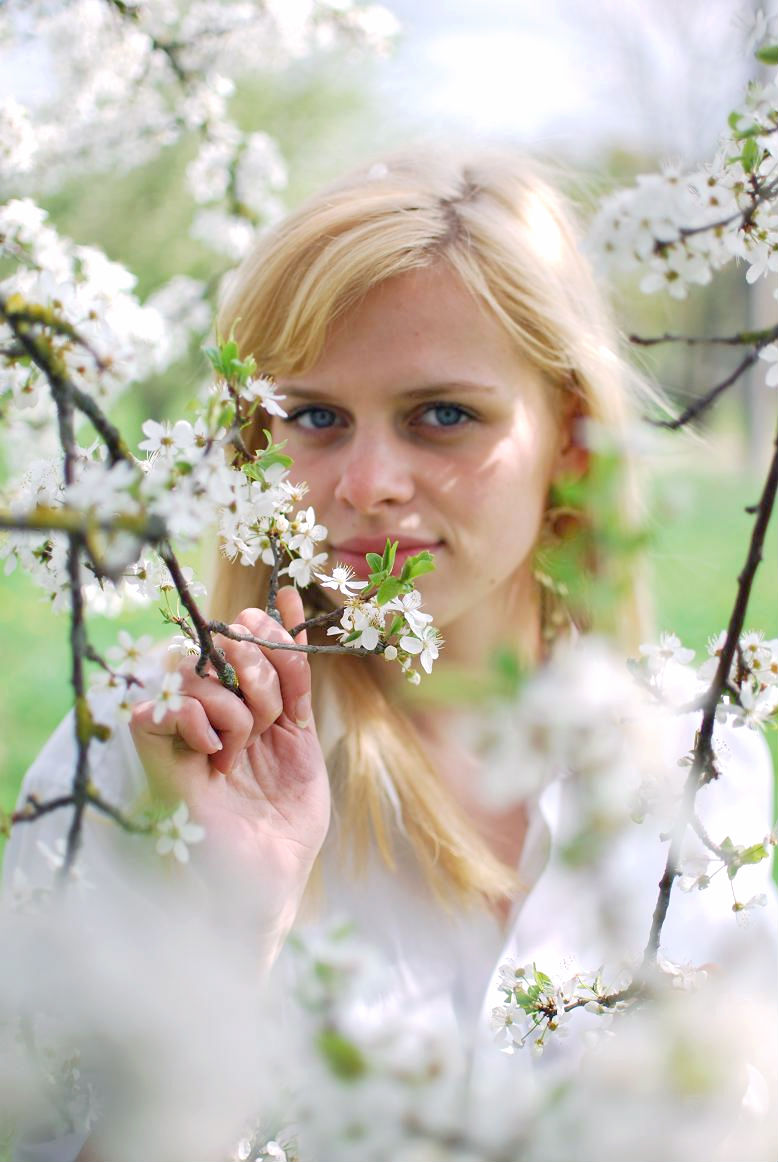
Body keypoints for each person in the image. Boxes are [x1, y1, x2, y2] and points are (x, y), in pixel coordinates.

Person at [4, 148, 777, 1161]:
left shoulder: (697, 759)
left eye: (442, 415)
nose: (368, 482)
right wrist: (225, 931)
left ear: (571, 436)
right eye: (313, 416)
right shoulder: (143, 752)